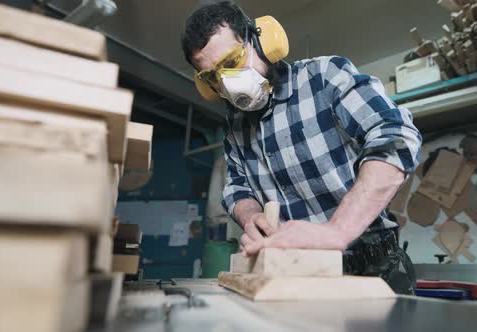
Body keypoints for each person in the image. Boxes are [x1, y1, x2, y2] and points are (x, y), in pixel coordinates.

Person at [181, 1, 422, 294]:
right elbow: (237, 190)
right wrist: (252, 218)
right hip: (294, 273)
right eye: (213, 77)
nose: (227, 83)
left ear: (261, 40)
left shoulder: (325, 77)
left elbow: (395, 137)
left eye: (232, 62)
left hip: (373, 266)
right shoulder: (236, 127)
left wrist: (336, 232)